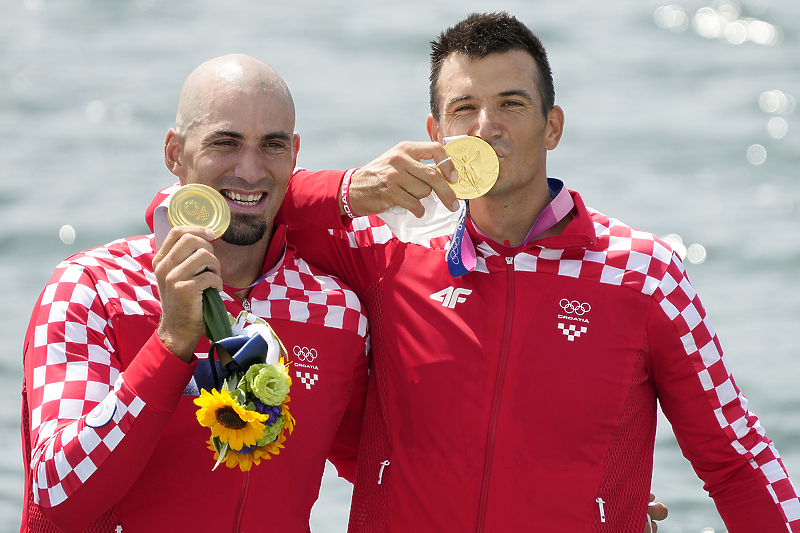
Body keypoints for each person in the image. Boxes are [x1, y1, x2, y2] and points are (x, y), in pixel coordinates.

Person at [281, 12, 800, 533]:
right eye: (465, 108)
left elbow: (737, 461)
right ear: (436, 134)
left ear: (552, 127)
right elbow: (254, 211)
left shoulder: (645, 276)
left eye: (511, 103)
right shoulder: (387, 251)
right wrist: (349, 188)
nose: (487, 126)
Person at [20, 54, 369, 533]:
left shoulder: (337, 312)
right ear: (174, 154)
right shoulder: (93, 288)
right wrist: (171, 343)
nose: (250, 170)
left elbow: (390, 470)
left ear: (294, 153)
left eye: (272, 145)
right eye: (225, 143)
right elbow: (58, 494)